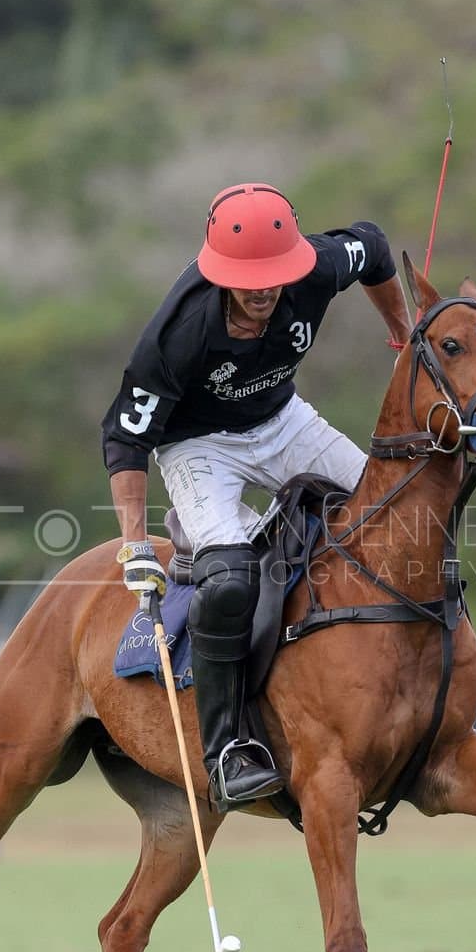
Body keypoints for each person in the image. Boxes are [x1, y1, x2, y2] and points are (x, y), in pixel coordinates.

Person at [102, 182, 412, 812]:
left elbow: (375, 246)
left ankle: (430, 711)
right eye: (250, 279)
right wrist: (134, 542)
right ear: (221, 273)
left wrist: (401, 329)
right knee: (232, 579)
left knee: (402, 523)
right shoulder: (179, 332)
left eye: (276, 274)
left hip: (282, 420)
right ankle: (227, 750)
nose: (265, 289)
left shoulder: (319, 267)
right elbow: (124, 436)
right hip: (198, 444)